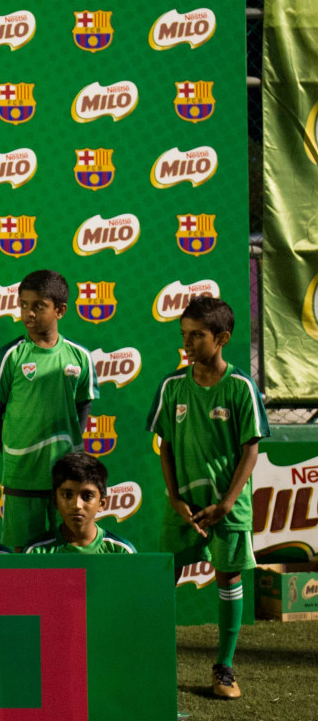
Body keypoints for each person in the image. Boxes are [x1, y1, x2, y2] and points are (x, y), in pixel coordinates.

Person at [145, 295, 268, 699]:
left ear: (222, 338)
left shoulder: (240, 387)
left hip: (227, 507)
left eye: (197, 335)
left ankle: (225, 668)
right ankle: (152, 660)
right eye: (184, 335)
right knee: (165, 577)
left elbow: (251, 448)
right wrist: (175, 497)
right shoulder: (171, 385)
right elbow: (165, 445)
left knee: (228, 577)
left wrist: (229, 502)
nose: (188, 343)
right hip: (182, 506)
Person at [0, 269, 98, 551]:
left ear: (60, 310)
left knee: (69, 553)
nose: (28, 313)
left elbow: (83, 403)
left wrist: (71, 447)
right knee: (20, 558)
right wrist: (12, 449)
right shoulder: (9, 355)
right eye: (23, 305)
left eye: (38, 306)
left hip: (66, 477)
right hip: (23, 476)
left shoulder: (79, 357)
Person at [24, 453, 136, 554]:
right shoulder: (36, 552)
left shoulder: (121, 552)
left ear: (102, 503)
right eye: (67, 495)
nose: (77, 505)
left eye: (87, 496)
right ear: (55, 501)